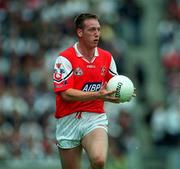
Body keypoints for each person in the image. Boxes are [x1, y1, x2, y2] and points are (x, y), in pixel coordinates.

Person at [53, 13, 132, 169]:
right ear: (80, 32)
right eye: (91, 30)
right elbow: (65, 94)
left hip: (95, 117)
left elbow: (114, 85)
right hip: (68, 120)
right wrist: (97, 95)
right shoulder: (64, 59)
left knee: (99, 161)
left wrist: (122, 93)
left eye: (98, 29)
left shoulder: (106, 57)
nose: (97, 33)